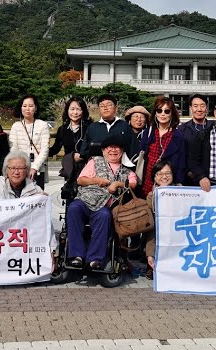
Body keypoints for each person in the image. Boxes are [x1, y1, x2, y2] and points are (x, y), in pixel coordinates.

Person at [67, 131, 136, 270]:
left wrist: (117, 184)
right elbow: (81, 180)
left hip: (105, 205)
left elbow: (133, 184)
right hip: (85, 200)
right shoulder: (94, 161)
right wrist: (96, 180)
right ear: (104, 150)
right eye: (109, 147)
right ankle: (77, 255)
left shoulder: (127, 171)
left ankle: (95, 258)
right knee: (73, 208)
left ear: (122, 151)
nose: (113, 150)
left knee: (105, 216)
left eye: (117, 148)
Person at [134, 96, 186, 197]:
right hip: (148, 180)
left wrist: (179, 183)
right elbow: (141, 156)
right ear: (155, 113)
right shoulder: (148, 132)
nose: (162, 114)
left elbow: (181, 163)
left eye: (167, 111)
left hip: (168, 182)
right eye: (159, 110)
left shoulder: (178, 136)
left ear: (172, 114)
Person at [140, 157, 177, 279]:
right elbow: (151, 229)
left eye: (167, 173)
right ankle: (152, 264)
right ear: (154, 177)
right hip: (159, 239)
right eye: (159, 174)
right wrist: (150, 255)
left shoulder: (182, 191)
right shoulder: (151, 197)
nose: (164, 176)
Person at [7, 94, 52, 188]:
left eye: (31, 106)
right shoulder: (16, 126)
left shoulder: (43, 125)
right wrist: (21, 167)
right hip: (20, 170)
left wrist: (34, 167)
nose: (27, 109)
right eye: (24, 106)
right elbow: (13, 149)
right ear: (21, 108)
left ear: (35, 108)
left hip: (38, 170)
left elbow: (44, 150)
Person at [49, 96, 89, 198]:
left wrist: (83, 155)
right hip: (70, 168)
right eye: (72, 109)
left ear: (83, 111)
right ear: (67, 110)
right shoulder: (63, 129)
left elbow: (94, 148)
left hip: (87, 167)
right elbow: (56, 148)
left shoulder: (89, 127)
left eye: (78, 109)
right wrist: (42, 151)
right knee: (70, 195)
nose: (75, 112)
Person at [80, 93, 130, 161]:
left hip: (121, 167)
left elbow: (132, 149)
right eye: (102, 106)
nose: (105, 108)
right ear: (98, 109)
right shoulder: (92, 127)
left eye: (109, 105)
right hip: (98, 167)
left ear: (116, 108)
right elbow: (84, 152)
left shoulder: (124, 126)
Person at [175, 95, 212, 185]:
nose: (199, 109)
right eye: (195, 106)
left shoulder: (214, 127)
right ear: (191, 108)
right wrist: (188, 171)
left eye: (202, 106)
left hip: (211, 178)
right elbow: (179, 154)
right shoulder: (181, 129)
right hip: (188, 178)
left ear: (206, 108)